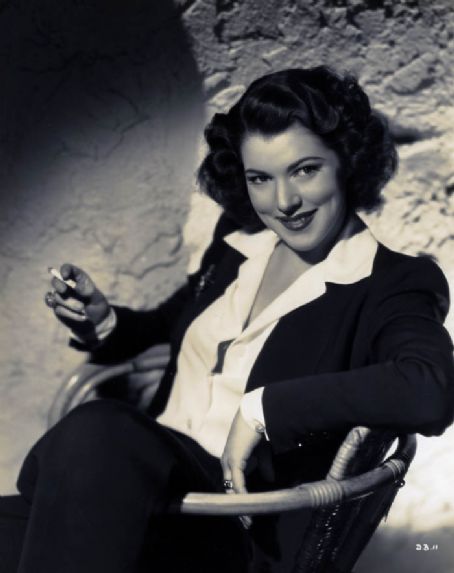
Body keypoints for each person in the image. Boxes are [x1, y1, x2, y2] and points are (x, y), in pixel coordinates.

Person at [1, 66, 453, 573]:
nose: (284, 202)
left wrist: (263, 409)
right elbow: (173, 324)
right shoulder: (239, 243)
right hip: (139, 488)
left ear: (346, 162)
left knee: (99, 428)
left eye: (305, 170)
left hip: (235, 530)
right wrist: (103, 324)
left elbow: (430, 389)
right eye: (260, 178)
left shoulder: (392, 281)